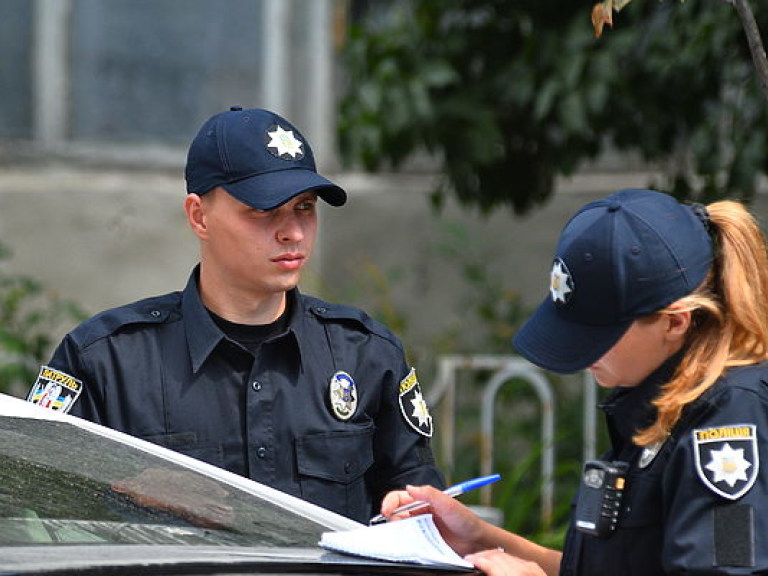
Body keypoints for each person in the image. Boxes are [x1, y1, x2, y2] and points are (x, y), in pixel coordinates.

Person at [26, 106, 445, 523]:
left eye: (304, 207)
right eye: (264, 211)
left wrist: (414, 516)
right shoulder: (107, 361)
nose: (293, 232)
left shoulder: (364, 354)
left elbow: (418, 507)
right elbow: (32, 501)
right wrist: (126, 492)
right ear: (199, 216)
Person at [379, 188, 768, 575]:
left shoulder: (730, 422)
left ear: (674, 321)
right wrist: (476, 537)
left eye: (598, 335)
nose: (582, 355)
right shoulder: (658, 406)